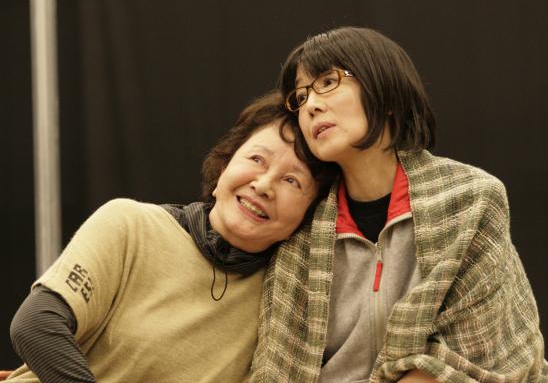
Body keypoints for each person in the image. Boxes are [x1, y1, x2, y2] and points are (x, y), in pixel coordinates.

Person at [249, 27, 548, 382]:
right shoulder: (299, 227)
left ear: (386, 92)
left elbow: (474, 351)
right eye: (300, 98)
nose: (311, 106)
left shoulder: (471, 200)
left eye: (328, 82)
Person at [4, 91, 336, 383]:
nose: (263, 185)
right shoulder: (131, 225)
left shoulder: (287, 305)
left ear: (310, 214)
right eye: (256, 159)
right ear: (224, 167)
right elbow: (37, 326)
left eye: (292, 181)